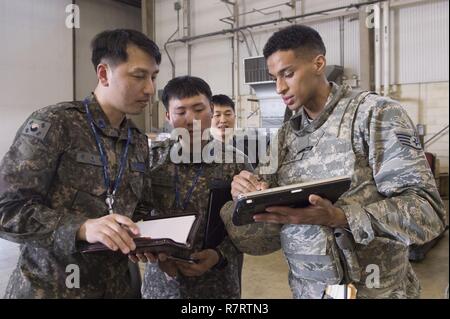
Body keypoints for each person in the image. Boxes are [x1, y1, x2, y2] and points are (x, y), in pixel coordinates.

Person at [223, 25, 446, 299]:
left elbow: (428, 211)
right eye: (274, 78)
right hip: (310, 292)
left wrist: (341, 217)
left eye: (288, 74)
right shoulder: (285, 137)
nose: (279, 87)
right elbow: (260, 202)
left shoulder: (374, 115)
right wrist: (244, 188)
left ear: (318, 63)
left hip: (374, 291)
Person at [0, 29, 160, 298]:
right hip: (51, 288)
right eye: (139, 76)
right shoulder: (56, 124)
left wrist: (148, 238)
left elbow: (138, 207)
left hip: (116, 288)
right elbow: (6, 209)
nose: (150, 89)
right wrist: (82, 227)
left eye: (154, 77)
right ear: (103, 73)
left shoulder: (137, 141)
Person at [138, 76, 251, 299]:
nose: (192, 120)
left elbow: (247, 224)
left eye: (199, 109)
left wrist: (219, 255)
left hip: (217, 285)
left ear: (211, 109)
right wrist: (152, 251)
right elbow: (136, 212)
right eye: (181, 112)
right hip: (161, 285)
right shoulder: (151, 160)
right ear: (168, 116)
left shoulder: (235, 162)